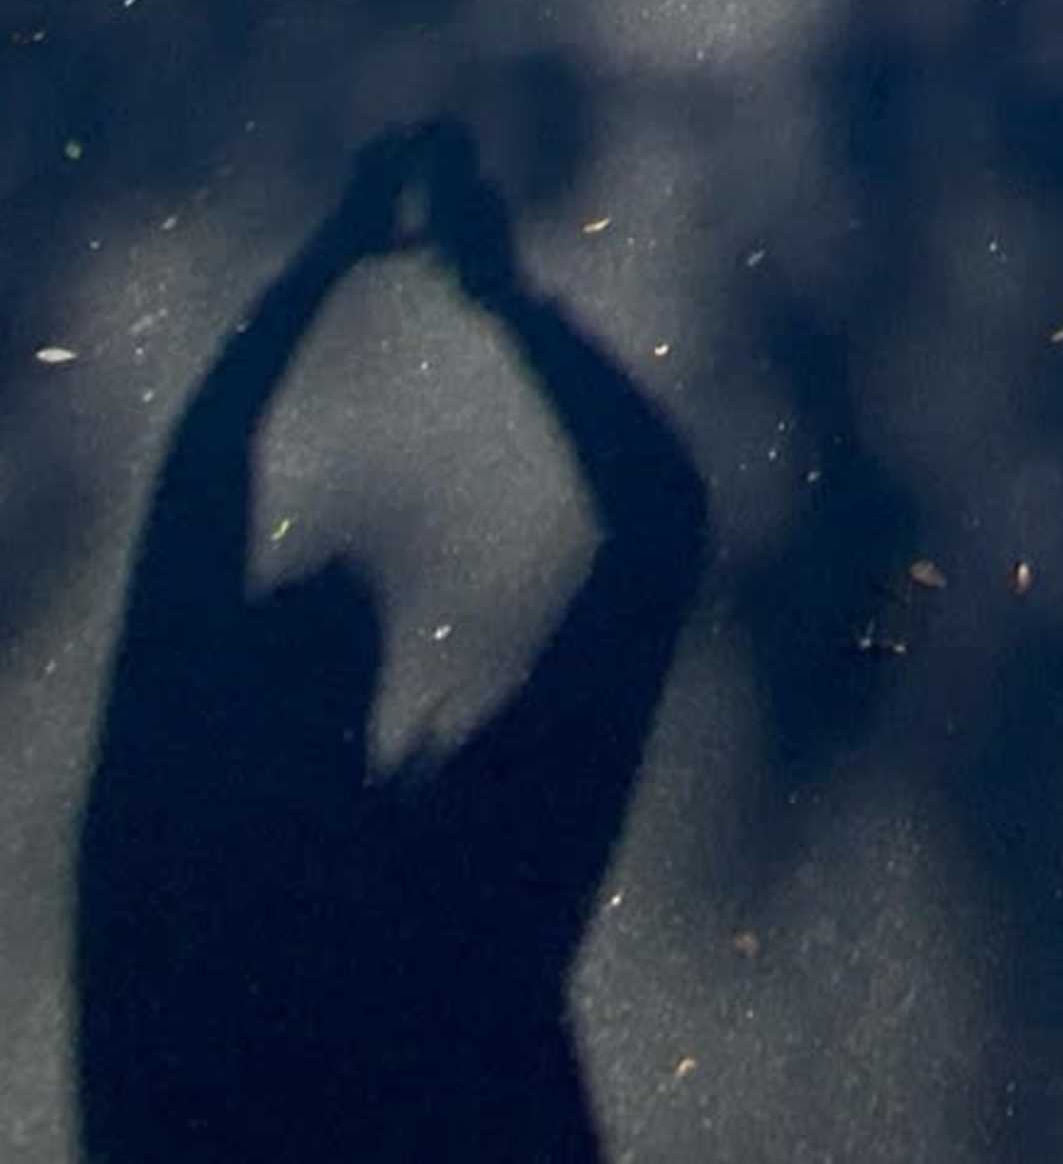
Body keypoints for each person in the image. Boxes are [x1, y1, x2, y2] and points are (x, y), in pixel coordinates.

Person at [76, 119, 707, 1163]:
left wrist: (330, 255)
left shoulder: (172, 879)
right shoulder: (444, 902)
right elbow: (663, 521)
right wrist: (501, 291)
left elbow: (201, 470)